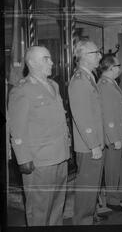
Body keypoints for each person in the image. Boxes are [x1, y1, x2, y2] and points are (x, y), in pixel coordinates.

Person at [8, 46, 70, 226]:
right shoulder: (22, 90)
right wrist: (23, 158)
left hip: (60, 155)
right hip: (40, 160)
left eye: (50, 58)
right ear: (32, 63)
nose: (51, 62)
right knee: (39, 210)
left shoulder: (54, 85)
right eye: (46, 58)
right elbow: (17, 129)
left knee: (57, 206)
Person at [68, 40, 105, 225]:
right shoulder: (80, 81)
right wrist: (94, 144)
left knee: (93, 185)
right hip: (89, 145)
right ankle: (83, 221)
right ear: (83, 57)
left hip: (94, 142)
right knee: (87, 186)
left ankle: (91, 215)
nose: (100, 56)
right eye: (95, 52)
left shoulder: (89, 77)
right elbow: (82, 117)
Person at [97, 54, 122, 211]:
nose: (119, 68)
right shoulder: (105, 86)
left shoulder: (111, 83)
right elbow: (107, 115)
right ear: (110, 68)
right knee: (112, 169)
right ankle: (112, 200)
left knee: (121, 166)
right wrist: (114, 137)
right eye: (117, 66)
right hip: (114, 136)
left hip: (121, 133)